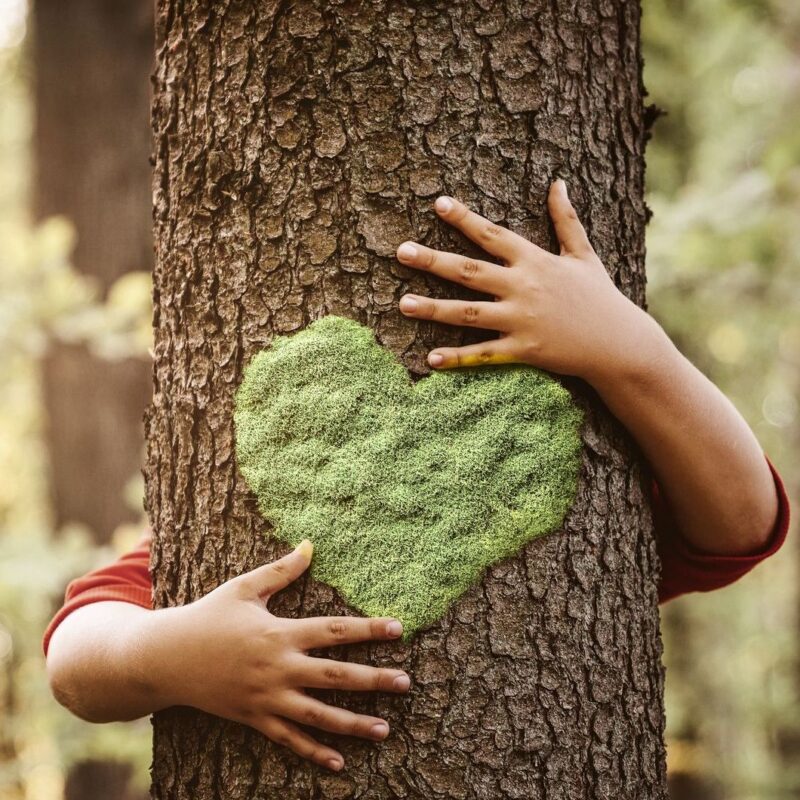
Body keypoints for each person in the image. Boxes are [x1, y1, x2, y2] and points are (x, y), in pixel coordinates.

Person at [43, 181, 790, 773]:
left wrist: (630, 350)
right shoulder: (241, 523)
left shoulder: (593, 492)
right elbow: (77, 658)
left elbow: (742, 523)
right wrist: (171, 656)